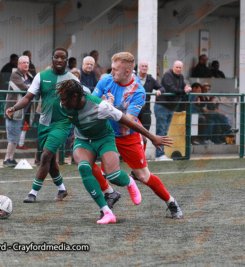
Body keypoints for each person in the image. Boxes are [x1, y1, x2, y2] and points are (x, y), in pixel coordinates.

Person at [57, 79, 174, 223]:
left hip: (104, 138)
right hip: (83, 140)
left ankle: (129, 181)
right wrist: (74, 134)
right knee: (84, 168)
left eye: (64, 99)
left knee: (112, 175)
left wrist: (151, 137)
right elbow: (72, 119)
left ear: (75, 96)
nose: (61, 102)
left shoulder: (101, 106)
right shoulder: (63, 105)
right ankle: (107, 212)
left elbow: (127, 121)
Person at [94, 52, 184, 219]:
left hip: (127, 136)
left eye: (115, 70)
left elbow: (127, 121)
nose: (111, 73)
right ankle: (109, 197)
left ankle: (171, 202)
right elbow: (91, 103)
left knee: (143, 176)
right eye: (111, 69)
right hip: (106, 134)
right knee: (87, 163)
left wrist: (110, 108)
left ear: (127, 72)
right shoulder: (106, 80)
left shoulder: (138, 91)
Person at [6, 47, 85, 203]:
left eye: (63, 58)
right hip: (44, 124)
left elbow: (79, 106)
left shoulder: (73, 80)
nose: (60, 60)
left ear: (66, 61)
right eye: (57, 57)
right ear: (52, 59)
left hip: (62, 124)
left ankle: (33, 193)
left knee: (46, 155)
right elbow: (28, 97)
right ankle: (62, 189)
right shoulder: (41, 76)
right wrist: (14, 107)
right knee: (50, 161)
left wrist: (77, 130)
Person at [155, 60, 192, 161]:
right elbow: (172, 89)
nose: (178, 69)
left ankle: (160, 154)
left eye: (180, 67)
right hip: (162, 106)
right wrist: (184, 91)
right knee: (160, 130)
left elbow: (182, 86)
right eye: (177, 67)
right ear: (173, 67)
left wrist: (187, 87)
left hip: (171, 108)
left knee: (165, 131)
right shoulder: (167, 75)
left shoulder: (180, 77)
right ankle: (159, 154)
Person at [3, 55, 33, 167]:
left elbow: (32, 86)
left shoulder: (29, 75)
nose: (26, 64)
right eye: (24, 62)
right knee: (12, 136)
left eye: (27, 62)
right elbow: (24, 88)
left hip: (23, 111)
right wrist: (31, 86)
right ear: (19, 64)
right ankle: (7, 159)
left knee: (16, 136)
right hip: (13, 110)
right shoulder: (15, 74)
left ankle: (11, 158)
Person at [137, 60, 165, 132]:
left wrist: (159, 91)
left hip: (146, 109)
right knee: (134, 130)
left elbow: (162, 88)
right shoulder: (133, 78)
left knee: (145, 130)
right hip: (134, 107)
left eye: (145, 66)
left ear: (147, 68)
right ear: (139, 67)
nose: (144, 68)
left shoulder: (150, 79)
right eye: (142, 66)